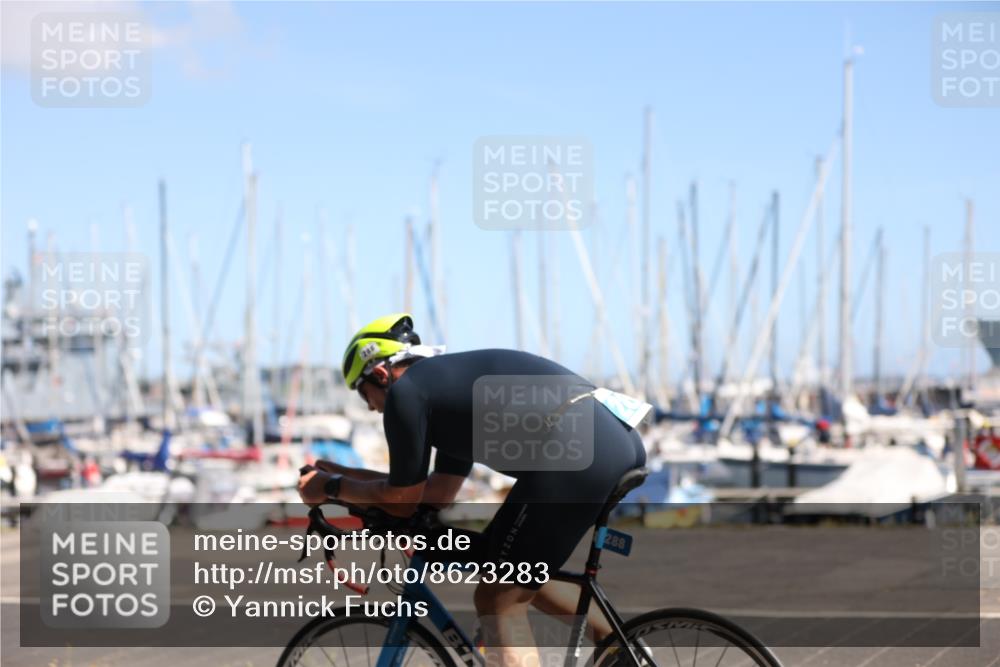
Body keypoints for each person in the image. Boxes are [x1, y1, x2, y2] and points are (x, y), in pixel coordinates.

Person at [299, 313, 647, 667]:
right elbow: (437, 492)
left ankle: (617, 650)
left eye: (364, 394)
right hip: (616, 437)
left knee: (499, 600)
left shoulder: (408, 394)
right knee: (509, 566)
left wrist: (329, 487)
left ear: (380, 374)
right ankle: (620, 649)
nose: (371, 407)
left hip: (578, 446)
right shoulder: (444, 391)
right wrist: (341, 475)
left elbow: (401, 502)